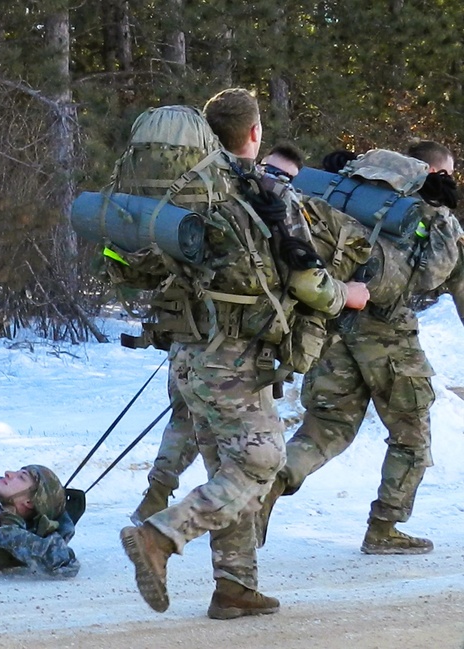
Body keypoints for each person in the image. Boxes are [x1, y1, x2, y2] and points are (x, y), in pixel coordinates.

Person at [118, 89, 370, 621]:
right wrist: (347, 294)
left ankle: (235, 587)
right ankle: (161, 535)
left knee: (227, 465)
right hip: (234, 359)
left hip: (188, 356)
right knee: (261, 462)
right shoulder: (260, 195)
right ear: (255, 133)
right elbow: (307, 279)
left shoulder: (186, 194)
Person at [257, 140, 463, 555]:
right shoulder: (429, 216)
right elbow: (438, 280)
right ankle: (384, 527)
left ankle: (270, 488)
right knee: (411, 434)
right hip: (390, 337)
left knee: (326, 426)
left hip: (333, 323)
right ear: (437, 172)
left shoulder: (356, 196)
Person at [129, 139, 306, 525]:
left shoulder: (206, 191)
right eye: (272, 171)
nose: (277, 181)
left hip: (188, 344)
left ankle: (159, 497)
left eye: (286, 177)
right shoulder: (243, 201)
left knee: (186, 421)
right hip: (227, 351)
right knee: (242, 450)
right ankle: (185, 518)